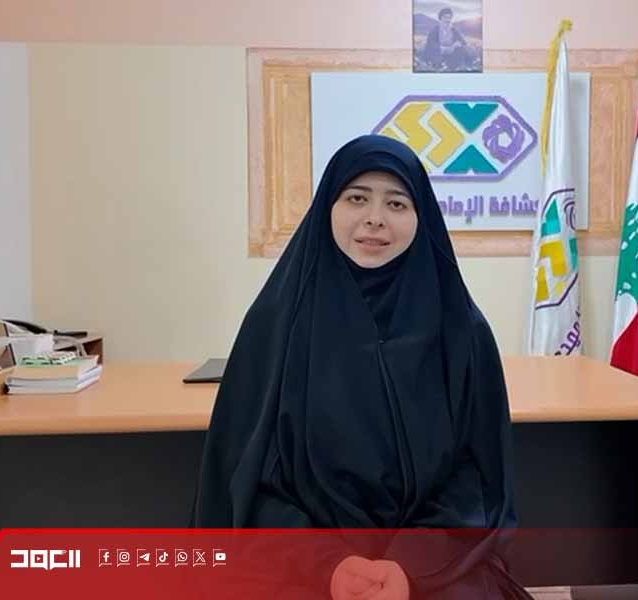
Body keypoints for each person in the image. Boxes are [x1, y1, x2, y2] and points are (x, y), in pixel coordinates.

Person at [191, 135, 532, 599]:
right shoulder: (275, 326)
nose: (375, 218)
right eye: (356, 198)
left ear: (422, 218)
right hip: (301, 563)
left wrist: (407, 568)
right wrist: (330, 567)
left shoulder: (462, 332)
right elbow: (245, 481)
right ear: (327, 208)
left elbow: (478, 478)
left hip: (433, 566)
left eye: (397, 203)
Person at [421, 7, 470, 71]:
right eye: (445, 17)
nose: (448, 20)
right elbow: (430, 44)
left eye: (449, 18)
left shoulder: (453, 30)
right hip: (438, 53)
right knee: (435, 57)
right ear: (440, 18)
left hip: (451, 54)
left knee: (460, 50)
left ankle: (455, 67)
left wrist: (455, 44)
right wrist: (442, 48)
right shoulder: (434, 30)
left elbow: (463, 42)